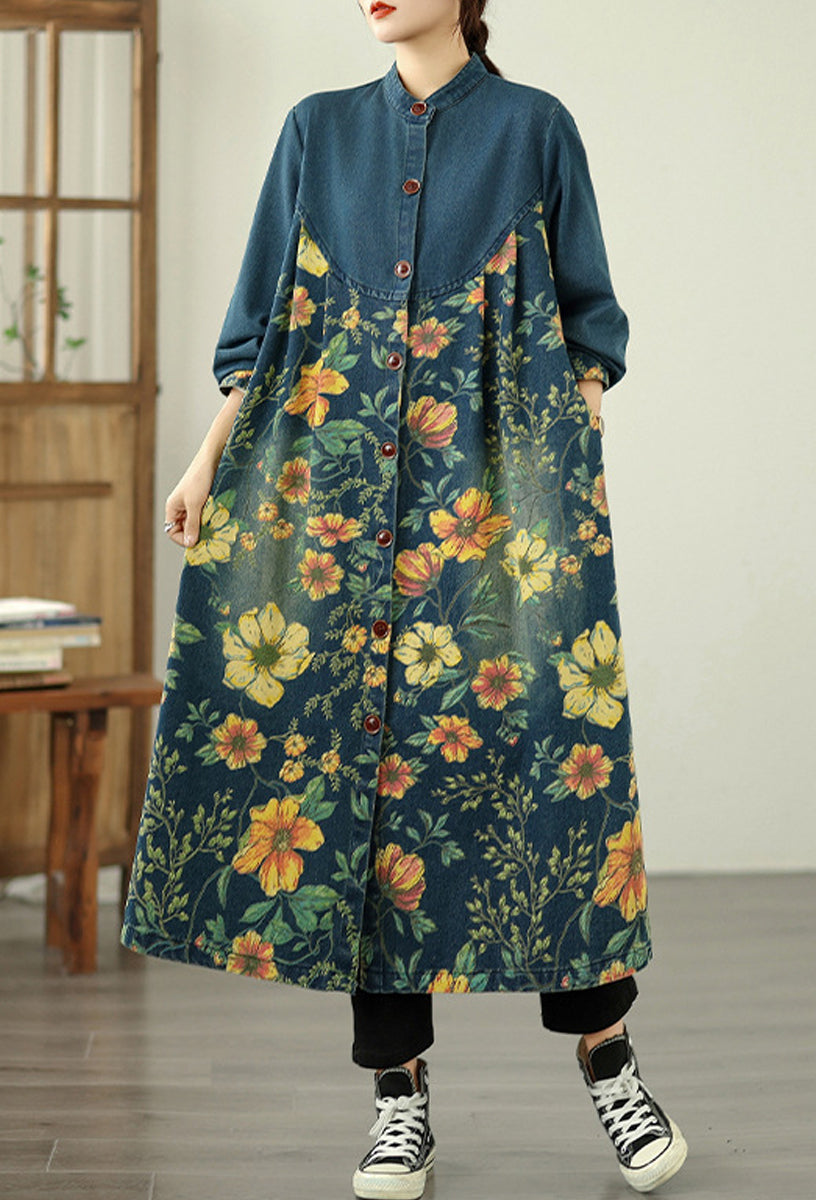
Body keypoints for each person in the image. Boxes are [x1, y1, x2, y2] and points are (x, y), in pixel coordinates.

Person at [121, 1, 687, 1195]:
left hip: (500, 501)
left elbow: (589, 320)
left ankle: (609, 1057)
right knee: (358, 776)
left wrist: (560, 451)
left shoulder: (535, 127)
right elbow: (264, 325)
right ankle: (398, 1096)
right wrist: (207, 461)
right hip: (330, 493)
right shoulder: (317, 131)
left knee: (549, 757)